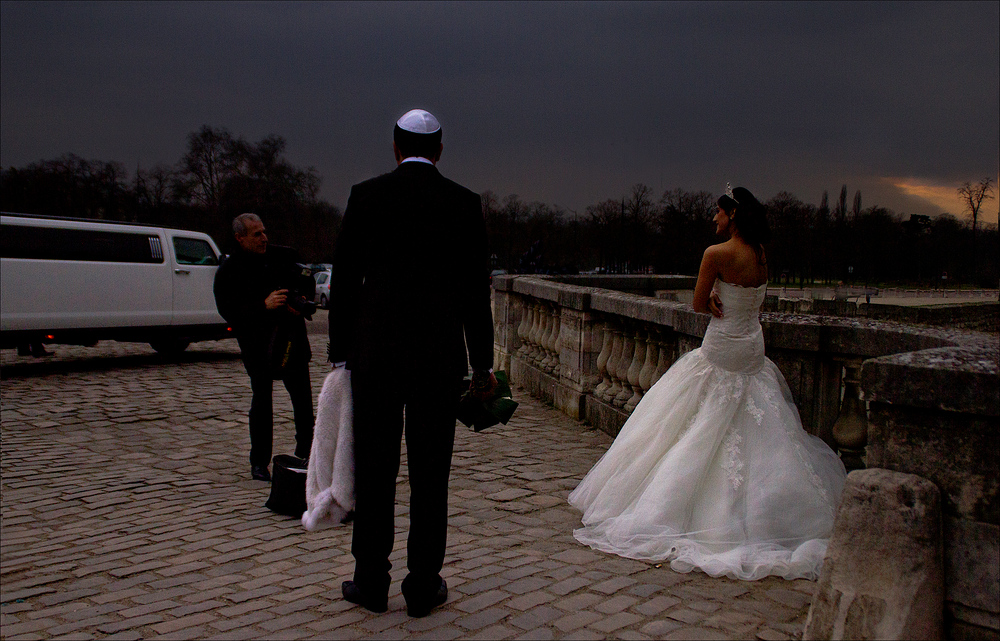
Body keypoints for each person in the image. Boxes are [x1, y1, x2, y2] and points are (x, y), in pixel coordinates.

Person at [569, 185, 846, 581]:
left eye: (717, 212)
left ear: (731, 215)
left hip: (722, 346)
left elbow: (699, 305)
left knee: (696, 423)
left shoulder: (715, 254)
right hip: (751, 347)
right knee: (758, 426)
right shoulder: (762, 255)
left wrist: (714, 295)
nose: (713, 219)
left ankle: (692, 515)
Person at [327, 109, 496, 617]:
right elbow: (475, 293)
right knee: (430, 475)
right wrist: (482, 362)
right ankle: (422, 584)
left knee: (375, 469)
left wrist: (340, 353)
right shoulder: (464, 204)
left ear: (395, 147)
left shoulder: (367, 195)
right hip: (437, 359)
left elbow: (344, 282)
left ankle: (371, 581)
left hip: (375, 356)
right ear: (440, 149)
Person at [214, 213, 315, 482]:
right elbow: (228, 310)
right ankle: (259, 462)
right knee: (262, 403)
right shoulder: (229, 270)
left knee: (303, 402)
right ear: (240, 238)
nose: (264, 238)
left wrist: (301, 301)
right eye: (256, 234)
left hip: (291, 339)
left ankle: (307, 454)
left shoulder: (283, 256)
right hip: (257, 345)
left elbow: (307, 281)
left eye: (264, 232)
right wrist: (263, 305)